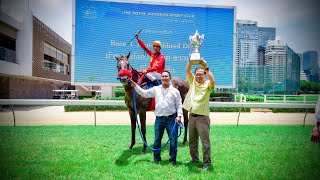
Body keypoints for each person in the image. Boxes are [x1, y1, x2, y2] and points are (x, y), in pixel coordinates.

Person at [131, 70, 183, 164]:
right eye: (162, 76)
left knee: (173, 141)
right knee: (157, 140)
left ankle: (172, 160)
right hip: (159, 119)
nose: (164, 78)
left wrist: (179, 116)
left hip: (171, 119)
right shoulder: (156, 89)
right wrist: (135, 86)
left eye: (166, 76)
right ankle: (156, 159)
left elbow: (179, 105)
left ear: (170, 78)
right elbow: (144, 93)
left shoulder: (175, 91)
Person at [182, 60, 215, 171]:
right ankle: (194, 159)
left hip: (203, 118)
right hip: (192, 117)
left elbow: (212, 79)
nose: (199, 76)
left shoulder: (208, 85)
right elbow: (187, 70)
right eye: (197, 74)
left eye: (201, 74)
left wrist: (205, 66)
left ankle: (207, 163)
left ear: (205, 75)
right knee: (192, 140)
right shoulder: (192, 82)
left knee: (205, 142)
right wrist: (191, 61)